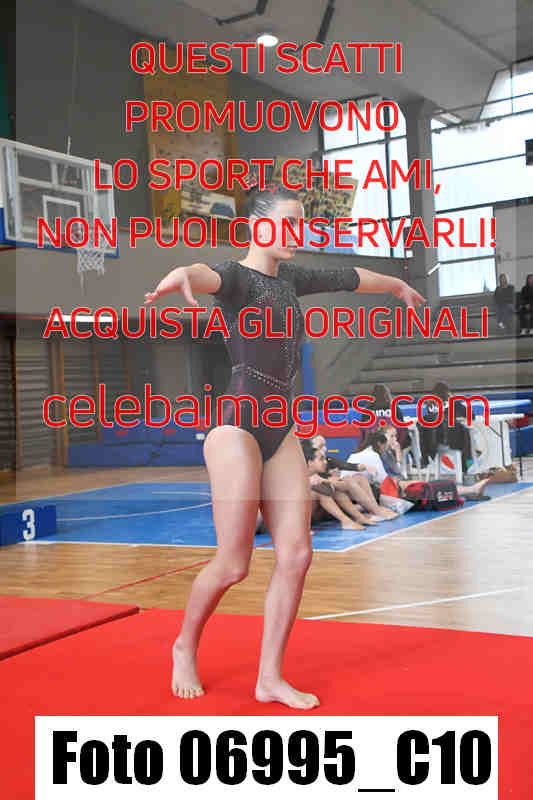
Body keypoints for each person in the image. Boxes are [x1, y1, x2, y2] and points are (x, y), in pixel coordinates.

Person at [144, 182, 425, 710]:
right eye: (288, 223)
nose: (299, 233)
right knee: (234, 564)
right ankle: (184, 644)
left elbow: (351, 276)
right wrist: (181, 274)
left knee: (297, 554)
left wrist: (396, 286)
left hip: (280, 431)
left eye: (301, 224)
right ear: (258, 226)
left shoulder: (292, 277)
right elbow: (203, 273)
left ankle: (269, 677)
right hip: (236, 429)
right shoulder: (236, 278)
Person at [310, 434, 398, 520]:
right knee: (346, 482)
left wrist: (365, 466)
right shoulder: (310, 465)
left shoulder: (327, 460)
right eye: (321, 446)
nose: (325, 449)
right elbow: (324, 488)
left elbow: (347, 465)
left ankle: (374, 508)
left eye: (325, 445)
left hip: (334, 491)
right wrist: (329, 479)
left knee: (359, 477)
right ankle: (373, 511)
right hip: (327, 499)